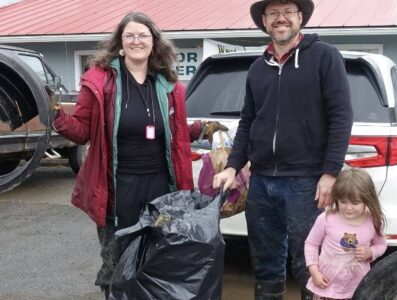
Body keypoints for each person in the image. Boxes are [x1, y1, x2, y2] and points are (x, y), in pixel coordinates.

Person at [51, 12, 224, 299]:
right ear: (120, 42)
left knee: (158, 254)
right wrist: (58, 116)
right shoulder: (100, 82)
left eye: (143, 35)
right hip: (117, 186)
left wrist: (199, 129)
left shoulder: (168, 85)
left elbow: (175, 131)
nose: (136, 41)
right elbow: (82, 131)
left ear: (154, 43)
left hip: (160, 186)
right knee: (117, 256)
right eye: (129, 35)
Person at [213, 0, 352, 298]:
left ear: (300, 17)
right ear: (264, 21)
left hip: (305, 182)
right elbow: (248, 123)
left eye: (288, 11)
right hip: (261, 182)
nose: (281, 19)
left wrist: (330, 173)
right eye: (273, 13)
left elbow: (341, 117)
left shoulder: (325, 57)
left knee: (308, 262)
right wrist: (232, 167)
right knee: (265, 263)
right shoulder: (257, 68)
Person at [304, 168, 387, 300]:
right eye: (343, 202)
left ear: (367, 199)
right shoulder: (326, 219)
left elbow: (381, 245)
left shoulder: (373, 221)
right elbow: (311, 244)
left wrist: (370, 252)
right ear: (336, 198)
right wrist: (314, 271)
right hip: (326, 286)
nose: (348, 208)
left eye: (355, 203)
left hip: (356, 286)